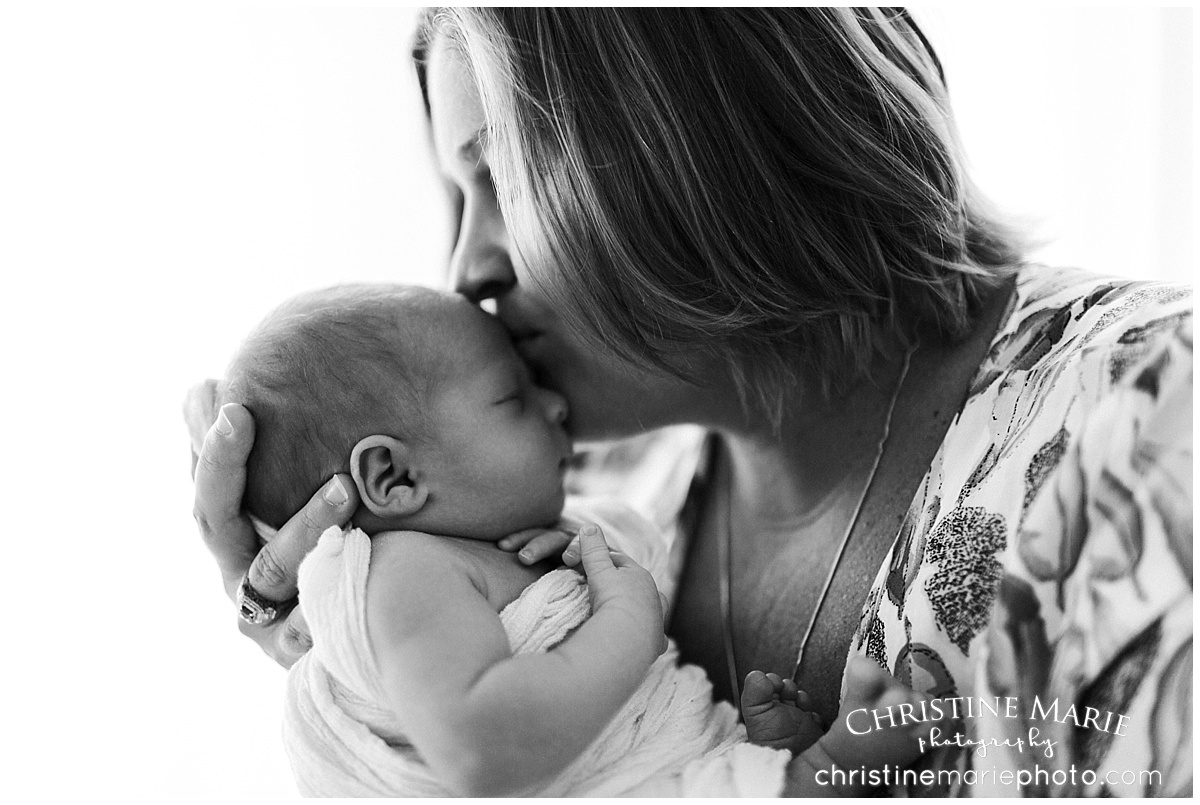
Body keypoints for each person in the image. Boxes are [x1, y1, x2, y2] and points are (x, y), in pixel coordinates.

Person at [186, 9, 1192, 797]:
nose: (467, 271)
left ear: (678, 131)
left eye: (498, 178)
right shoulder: (575, 493)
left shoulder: (1154, 412)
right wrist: (358, 686)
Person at [219, 282, 943, 797]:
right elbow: (481, 747)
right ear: (393, 476)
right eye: (513, 398)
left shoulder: (509, 533)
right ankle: (811, 775)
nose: (555, 403)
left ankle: (768, 767)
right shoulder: (404, 574)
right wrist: (628, 621)